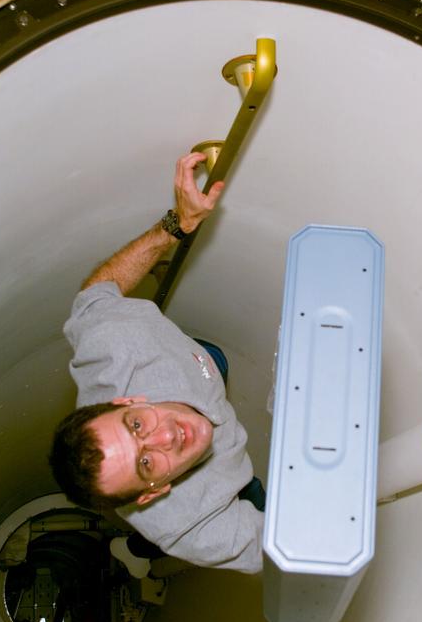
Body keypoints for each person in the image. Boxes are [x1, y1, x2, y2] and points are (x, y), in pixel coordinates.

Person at [49, 151, 264, 576]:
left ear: (125, 399)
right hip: (222, 493)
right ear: (152, 493)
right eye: (146, 463)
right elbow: (286, 553)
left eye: (136, 425)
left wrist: (177, 224)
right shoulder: (187, 527)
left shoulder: (114, 347)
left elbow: (95, 293)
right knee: (254, 496)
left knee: (214, 358)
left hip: (197, 364)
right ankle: (137, 550)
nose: (167, 434)